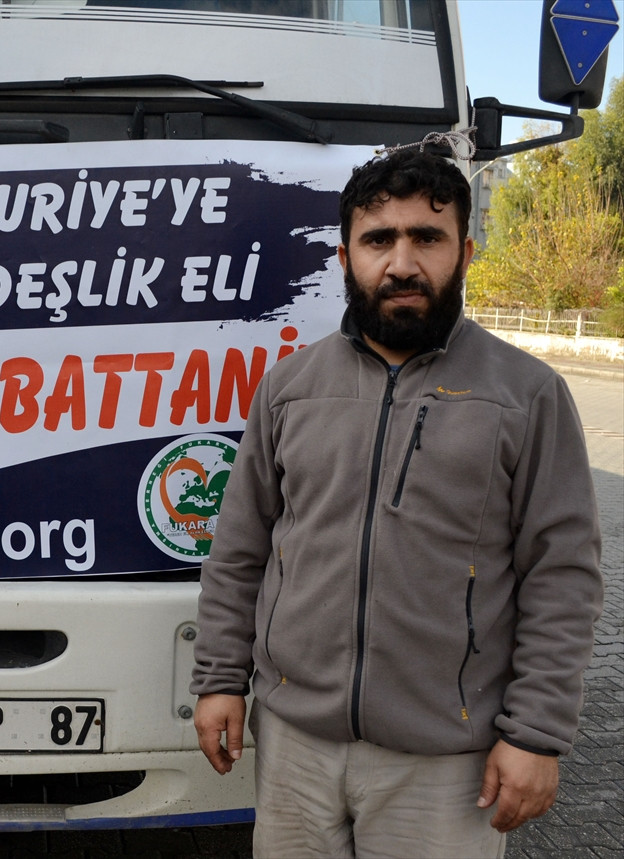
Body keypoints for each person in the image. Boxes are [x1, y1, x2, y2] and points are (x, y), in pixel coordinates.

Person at [191, 148, 602, 858]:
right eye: (379, 239)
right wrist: (220, 679)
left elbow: (562, 576)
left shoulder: (528, 395)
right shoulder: (289, 387)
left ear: (464, 252)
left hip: (446, 762)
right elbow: (240, 548)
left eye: (427, 238)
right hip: (295, 746)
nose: (402, 263)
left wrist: (536, 733)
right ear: (345, 256)